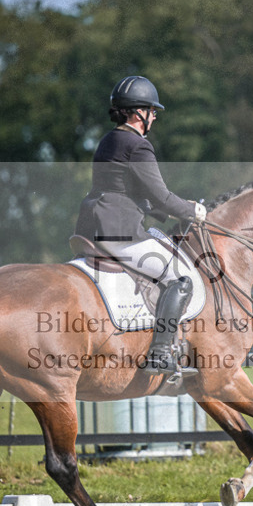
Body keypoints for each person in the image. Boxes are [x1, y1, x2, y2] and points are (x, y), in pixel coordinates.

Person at [75, 75, 207, 375]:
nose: (155, 116)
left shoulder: (108, 140)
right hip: (120, 234)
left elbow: (125, 191)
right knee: (181, 278)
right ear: (138, 113)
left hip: (90, 225)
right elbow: (160, 195)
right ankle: (160, 353)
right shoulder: (138, 146)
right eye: (152, 110)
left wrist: (169, 210)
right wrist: (193, 211)